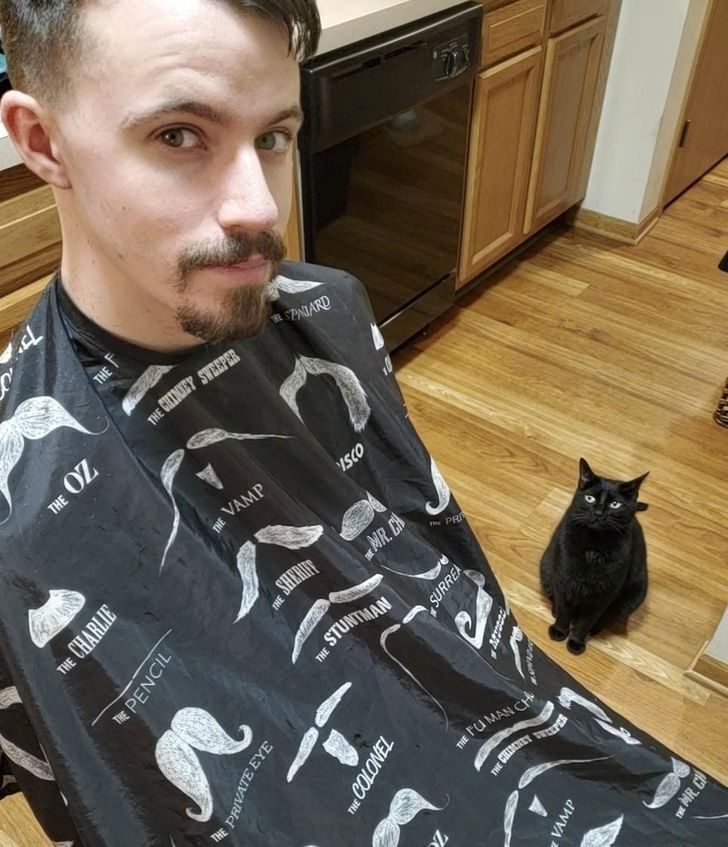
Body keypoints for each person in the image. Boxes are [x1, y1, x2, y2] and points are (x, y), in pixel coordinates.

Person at [0, 1, 726, 844]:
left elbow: (433, 553)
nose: (260, 209)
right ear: (42, 142)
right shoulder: (20, 491)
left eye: (274, 136)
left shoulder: (331, 309)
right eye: (179, 135)